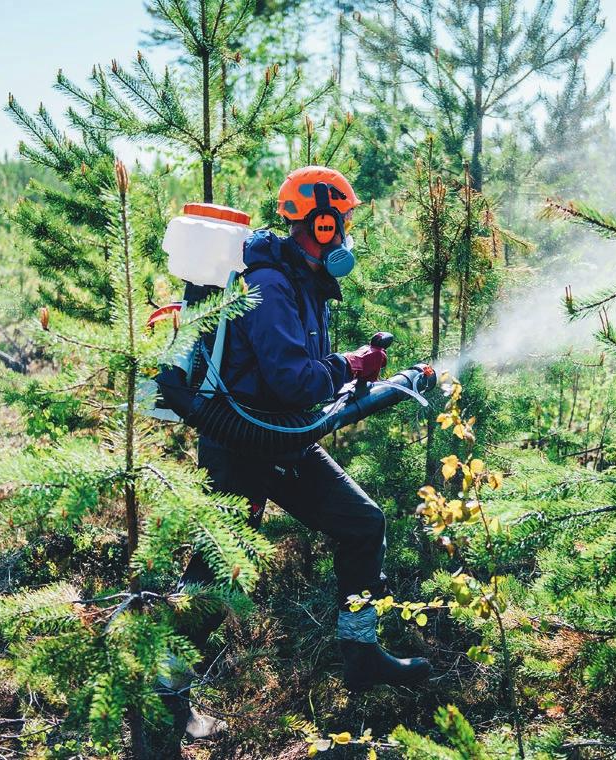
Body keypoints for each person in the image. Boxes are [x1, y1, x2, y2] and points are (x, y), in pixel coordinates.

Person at [168, 166, 432, 739]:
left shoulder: (303, 280)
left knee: (363, 523)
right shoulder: (270, 283)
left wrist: (346, 370)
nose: (346, 233)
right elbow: (292, 378)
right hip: (242, 444)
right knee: (222, 570)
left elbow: (300, 377)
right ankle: (167, 691)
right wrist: (349, 365)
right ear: (322, 220)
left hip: (283, 440)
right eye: (343, 221)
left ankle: (360, 655)